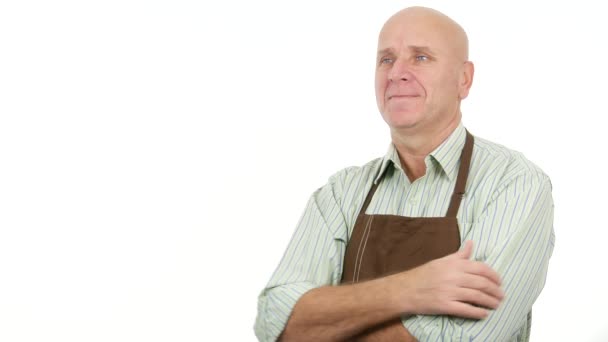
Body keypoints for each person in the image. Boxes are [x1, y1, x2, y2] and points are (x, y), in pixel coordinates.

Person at [254, 6, 555, 342]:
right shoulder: (341, 193)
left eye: (421, 58)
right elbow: (275, 323)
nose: (396, 73)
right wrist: (409, 289)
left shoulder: (512, 183)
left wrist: (329, 321)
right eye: (386, 59)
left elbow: (467, 338)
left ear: (464, 79)